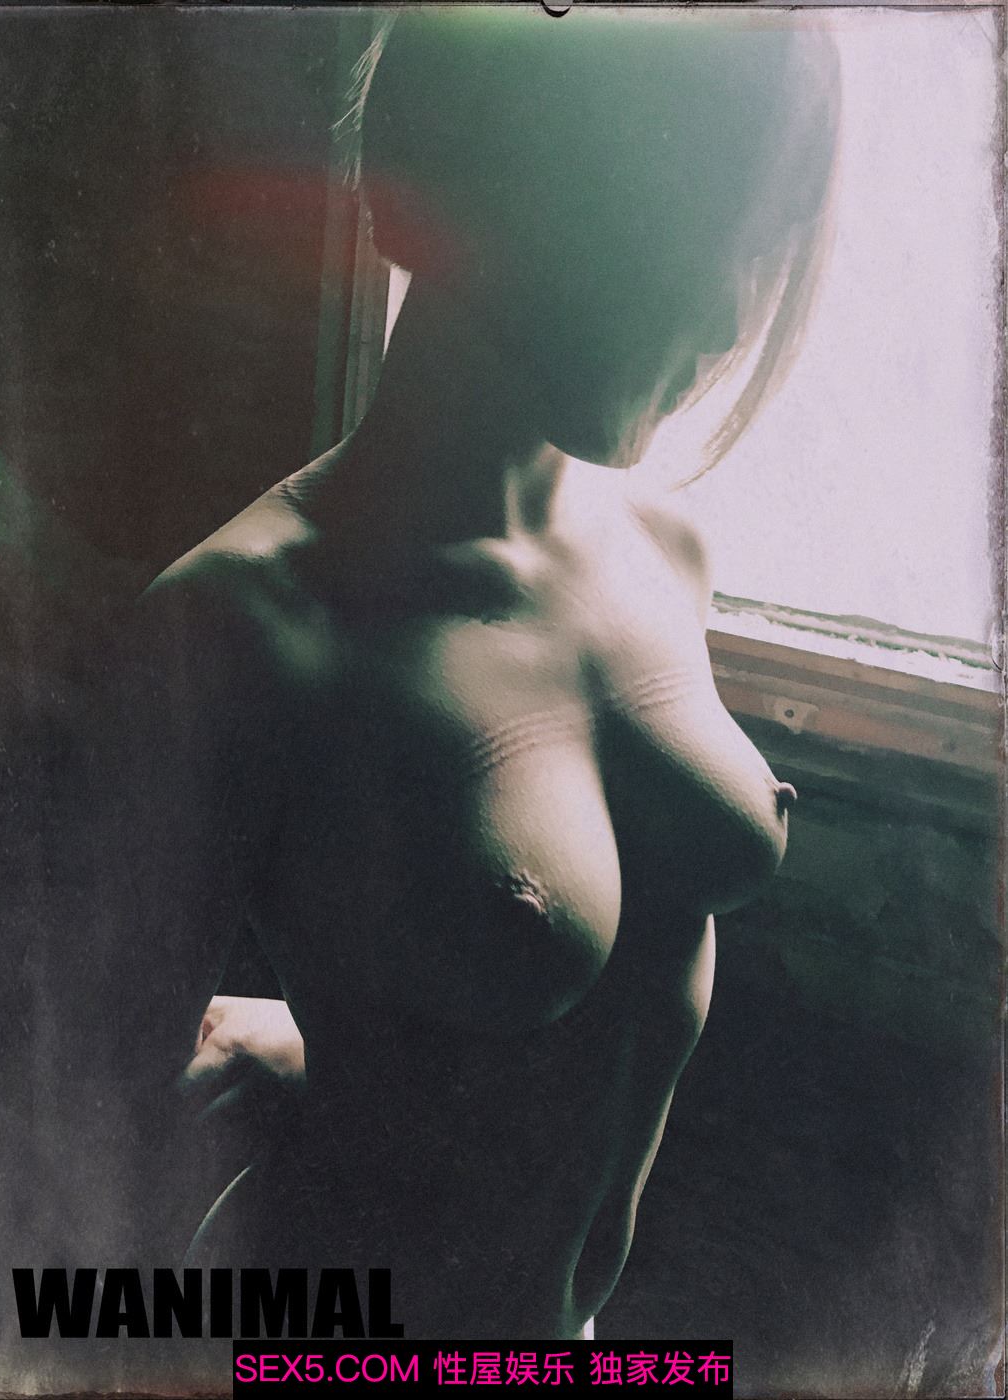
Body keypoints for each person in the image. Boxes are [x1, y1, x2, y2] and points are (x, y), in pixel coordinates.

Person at [74, 7, 840, 1342]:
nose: (729, 310)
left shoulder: (666, 557)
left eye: (750, 233)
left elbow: (537, 1006)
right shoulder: (242, 629)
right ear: (482, 178)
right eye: (677, 218)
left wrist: (328, 1046)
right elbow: (74, 1160)